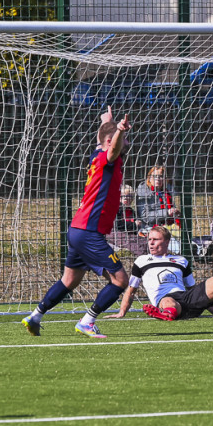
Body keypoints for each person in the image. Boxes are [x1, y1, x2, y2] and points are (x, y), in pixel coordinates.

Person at [22, 106, 131, 339]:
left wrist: (107, 122)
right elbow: (111, 148)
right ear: (112, 141)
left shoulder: (95, 155)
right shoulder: (107, 159)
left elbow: (103, 140)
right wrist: (119, 130)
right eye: (122, 140)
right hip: (89, 231)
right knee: (121, 280)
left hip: (78, 229)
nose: (125, 144)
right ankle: (87, 321)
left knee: (70, 280)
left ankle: (35, 316)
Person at [135, 165, 180, 229]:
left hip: (168, 226)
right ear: (149, 178)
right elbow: (145, 217)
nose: (158, 179)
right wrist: (166, 212)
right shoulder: (143, 191)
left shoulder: (167, 192)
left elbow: (172, 209)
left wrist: (175, 212)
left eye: (161, 176)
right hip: (149, 227)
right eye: (154, 176)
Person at [109, 184, 146, 256]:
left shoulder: (131, 211)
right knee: (136, 246)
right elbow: (118, 225)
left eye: (129, 196)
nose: (126, 198)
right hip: (116, 234)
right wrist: (134, 224)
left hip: (130, 235)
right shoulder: (116, 209)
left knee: (144, 241)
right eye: (123, 196)